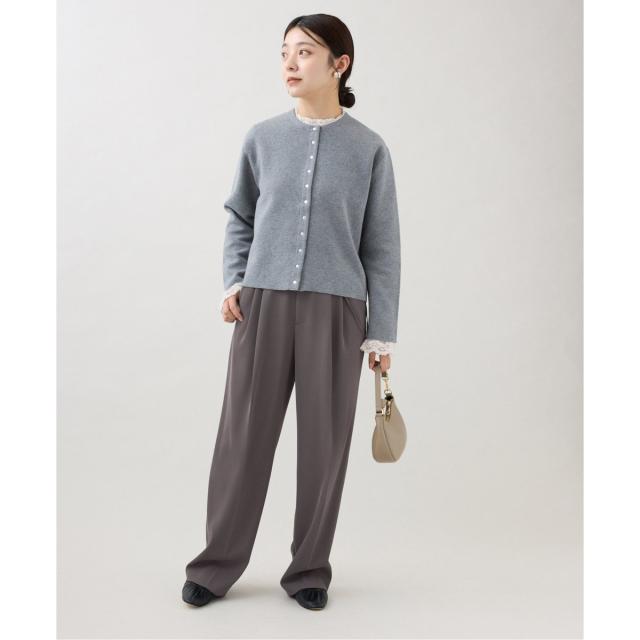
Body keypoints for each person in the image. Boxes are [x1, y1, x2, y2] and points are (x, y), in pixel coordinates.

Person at [182, 13, 401, 611]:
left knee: (324, 446)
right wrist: (234, 281)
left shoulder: (369, 149)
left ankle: (309, 571)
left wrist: (381, 331)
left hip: (338, 311)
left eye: (304, 51)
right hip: (263, 305)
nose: (290, 62)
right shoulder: (261, 138)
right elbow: (240, 215)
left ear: (339, 64)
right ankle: (216, 565)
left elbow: (381, 246)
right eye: (285, 51)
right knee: (242, 438)